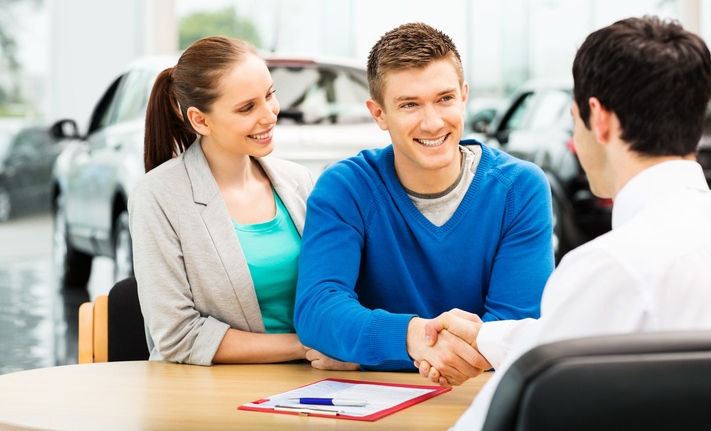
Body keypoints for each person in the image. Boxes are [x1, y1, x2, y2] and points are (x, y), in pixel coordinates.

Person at [421, 16, 711, 429]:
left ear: (597, 118)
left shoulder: (611, 267)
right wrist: (486, 338)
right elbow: (591, 341)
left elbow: (491, 422)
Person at [294, 22, 555, 383]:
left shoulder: (519, 189)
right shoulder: (346, 187)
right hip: (373, 408)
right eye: (410, 105)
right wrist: (411, 337)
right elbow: (317, 309)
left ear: (464, 96)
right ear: (379, 114)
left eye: (445, 99)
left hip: (479, 401)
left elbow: (515, 329)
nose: (432, 122)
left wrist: (370, 354)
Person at [129, 36, 330, 366]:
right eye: (247, 107)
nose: (269, 115)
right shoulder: (159, 196)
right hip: (209, 392)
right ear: (200, 120)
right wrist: (303, 347)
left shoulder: (298, 182)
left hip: (308, 381)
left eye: (269, 95)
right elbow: (178, 337)